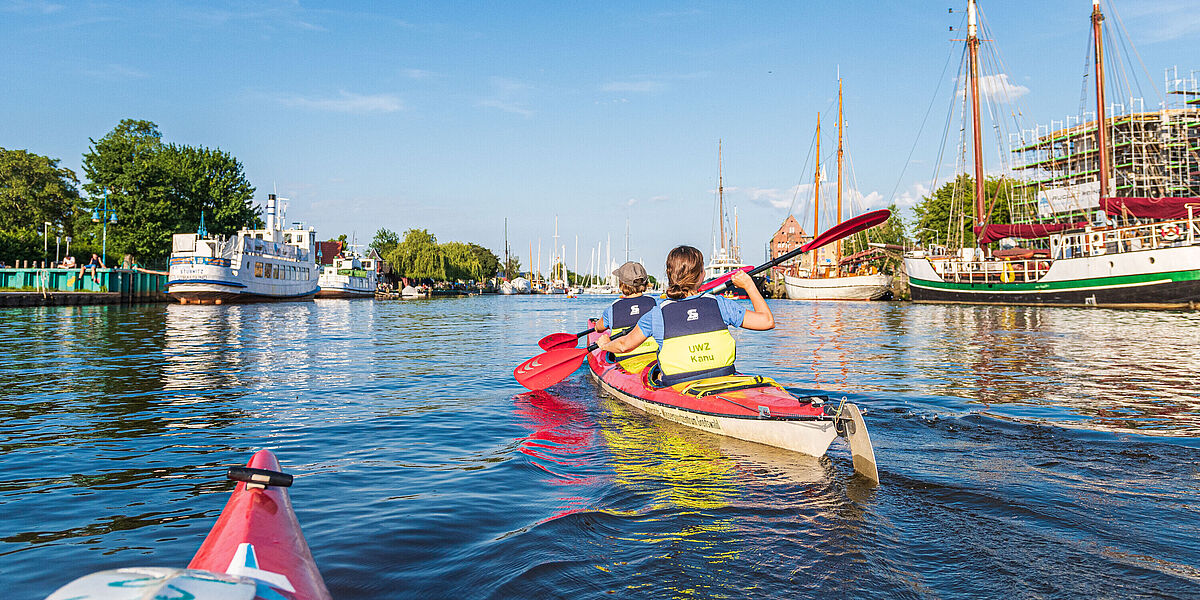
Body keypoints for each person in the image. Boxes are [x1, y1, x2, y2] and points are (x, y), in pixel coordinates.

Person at [597, 245, 774, 387]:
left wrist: (605, 345)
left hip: (677, 385)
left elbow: (623, 346)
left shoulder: (657, 313)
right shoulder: (721, 304)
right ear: (702, 275)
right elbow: (767, 322)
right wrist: (749, 286)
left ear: (668, 276)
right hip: (724, 378)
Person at [592, 261, 660, 373]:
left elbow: (598, 328)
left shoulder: (612, 309)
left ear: (621, 284)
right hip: (653, 360)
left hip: (624, 361)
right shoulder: (656, 303)